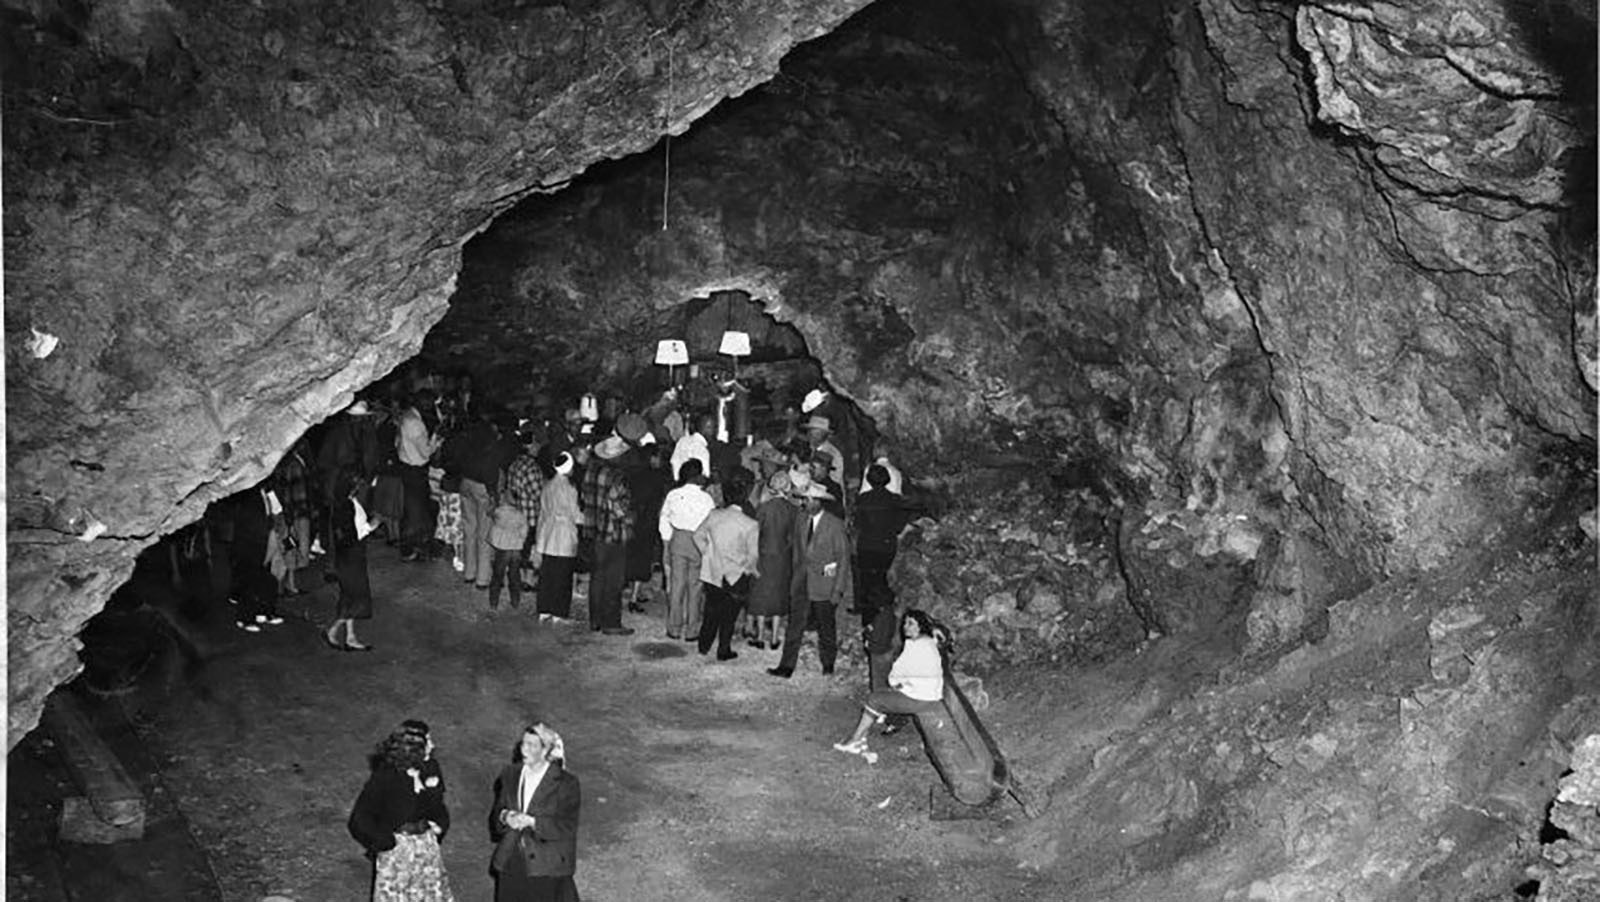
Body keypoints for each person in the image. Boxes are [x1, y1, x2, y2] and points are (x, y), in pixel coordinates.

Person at [348, 720, 455, 902]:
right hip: (398, 853)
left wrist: (440, 824)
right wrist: (386, 841)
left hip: (426, 849)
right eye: (428, 741)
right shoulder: (387, 776)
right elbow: (360, 817)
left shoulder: (430, 768)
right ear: (413, 746)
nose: (433, 745)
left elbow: (438, 805)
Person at [832, 610, 949, 760]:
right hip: (930, 695)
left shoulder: (915, 645)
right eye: (905, 622)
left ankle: (855, 741)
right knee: (881, 696)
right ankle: (860, 739)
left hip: (921, 700)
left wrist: (897, 683)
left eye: (911, 623)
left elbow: (899, 674)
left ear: (920, 627)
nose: (906, 626)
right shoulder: (927, 642)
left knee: (874, 699)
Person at [488, 722, 581, 902]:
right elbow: (496, 815)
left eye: (532, 745)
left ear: (545, 750)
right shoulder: (510, 774)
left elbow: (567, 826)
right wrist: (506, 817)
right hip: (511, 860)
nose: (525, 750)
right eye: (523, 744)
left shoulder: (566, 783)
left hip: (546, 866)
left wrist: (533, 822)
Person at [768, 481, 852, 679]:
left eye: (806, 499)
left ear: (817, 501)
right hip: (801, 582)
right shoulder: (801, 519)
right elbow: (796, 552)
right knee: (794, 626)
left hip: (825, 585)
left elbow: (843, 559)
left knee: (826, 628)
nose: (802, 503)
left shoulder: (834, 525)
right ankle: (786, 666)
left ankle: (828, 664)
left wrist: (838, 590)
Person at [693, 468, 760, 661]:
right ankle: (723, 650)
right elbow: (752, 556)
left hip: (713, 571)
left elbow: (697, 536)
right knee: (729, 617)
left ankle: (703, 646)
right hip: (735, 575)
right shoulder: (750, 524)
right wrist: (748, 569)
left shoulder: (714, 515)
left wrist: (707, 553)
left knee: (711, 610)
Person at [578, 435, 635, 635]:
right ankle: (611, 623)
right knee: (614, 580)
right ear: (616, 457)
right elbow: (618, 509)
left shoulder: (590, 472)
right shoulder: (617, 477)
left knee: (597, 578)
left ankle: (595, 620)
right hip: (613, 534)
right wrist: (631, 518)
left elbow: (584, 498)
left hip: (594, 532)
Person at [657, 458, 715, 641]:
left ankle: (674, 628)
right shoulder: (707, 498)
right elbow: (711, 524)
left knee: (677, 585)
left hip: (678, 539)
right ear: (699, 476)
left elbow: (664, 520)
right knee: (696, 587)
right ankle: (692, 630)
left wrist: (666, 544)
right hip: (698, 541)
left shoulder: (673, 495)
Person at [325, 468, 378, 652]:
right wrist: (371, 526)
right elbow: (351, 534)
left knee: (349, 596)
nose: (359, 486)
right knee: (356, 596)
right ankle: (333, 630)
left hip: (349, 555)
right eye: (357, 483)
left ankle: (350, 637)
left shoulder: (346, 502)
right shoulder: (345, 505)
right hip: (351, 556)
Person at [746, 470, 798, 650]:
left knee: (760, 593)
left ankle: (759, 636)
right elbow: (794, 536)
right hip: (783, 556)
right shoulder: (793, 509)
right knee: (779, 594)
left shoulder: (764, 507)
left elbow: (754, 532)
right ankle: (775, 637)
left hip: (763, 554)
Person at [533, 453, 584, 623]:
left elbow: (542, 513)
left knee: (547, 574)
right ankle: (558, 612)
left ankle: (544, 609)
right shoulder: (570, 489)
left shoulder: (547, 486)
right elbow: (575, 515)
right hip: (564, 535)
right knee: (562, 575)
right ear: (569, 468)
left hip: (548, 534)